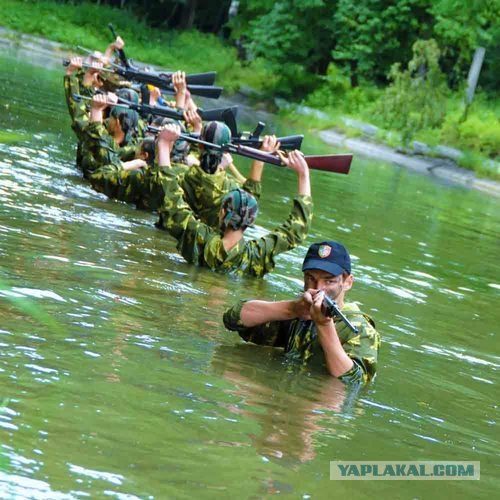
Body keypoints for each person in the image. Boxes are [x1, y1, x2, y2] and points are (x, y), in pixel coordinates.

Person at [156, 124, 313, 277]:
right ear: (251, 221)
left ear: (222, 213)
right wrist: (303, 175)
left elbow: (172, 201)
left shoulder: (198, 239)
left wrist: (163, 144)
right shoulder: (256, 255)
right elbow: (295, 231)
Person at [223, 241, 381, 383]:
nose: (319, 288)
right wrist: (291, 309)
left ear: (347, 283)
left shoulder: (360, 330)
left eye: (329, 281)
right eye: (311, 278)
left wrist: (324, 324)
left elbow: (354, 381)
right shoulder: (299, 313)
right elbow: (233, 319)